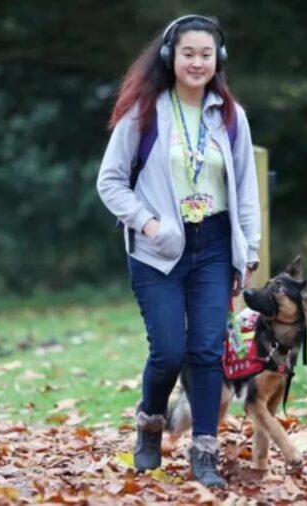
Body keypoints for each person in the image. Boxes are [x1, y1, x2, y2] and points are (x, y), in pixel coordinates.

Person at [96, 14, 260, 488]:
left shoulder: (230, 116)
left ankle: (204, 452)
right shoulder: (144, 111)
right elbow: (110, 182)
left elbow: (245, 188)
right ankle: (150, 423)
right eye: (188, 52)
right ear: (170, 56)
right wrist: (147, 222)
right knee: (168, 352)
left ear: (218, 60)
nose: (197, 62)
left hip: (213, 243)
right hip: (156, 249)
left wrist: (248, 251)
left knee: (207, 352)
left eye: (206, 54)